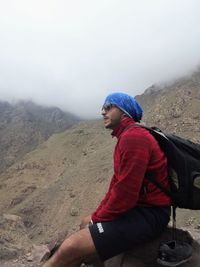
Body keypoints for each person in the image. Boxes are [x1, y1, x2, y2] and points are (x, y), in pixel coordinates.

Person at [42, 92, 171, 267]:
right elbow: (116, 186)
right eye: (103, 108)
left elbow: (125, 194)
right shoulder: (125, 137)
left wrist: (97, 219)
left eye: (109, 107)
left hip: (149, 214)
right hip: (138, 209)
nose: (103, 112)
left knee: (70, 247)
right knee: (84, 226)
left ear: (124, 111)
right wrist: (96, 216)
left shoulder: (135, 138)